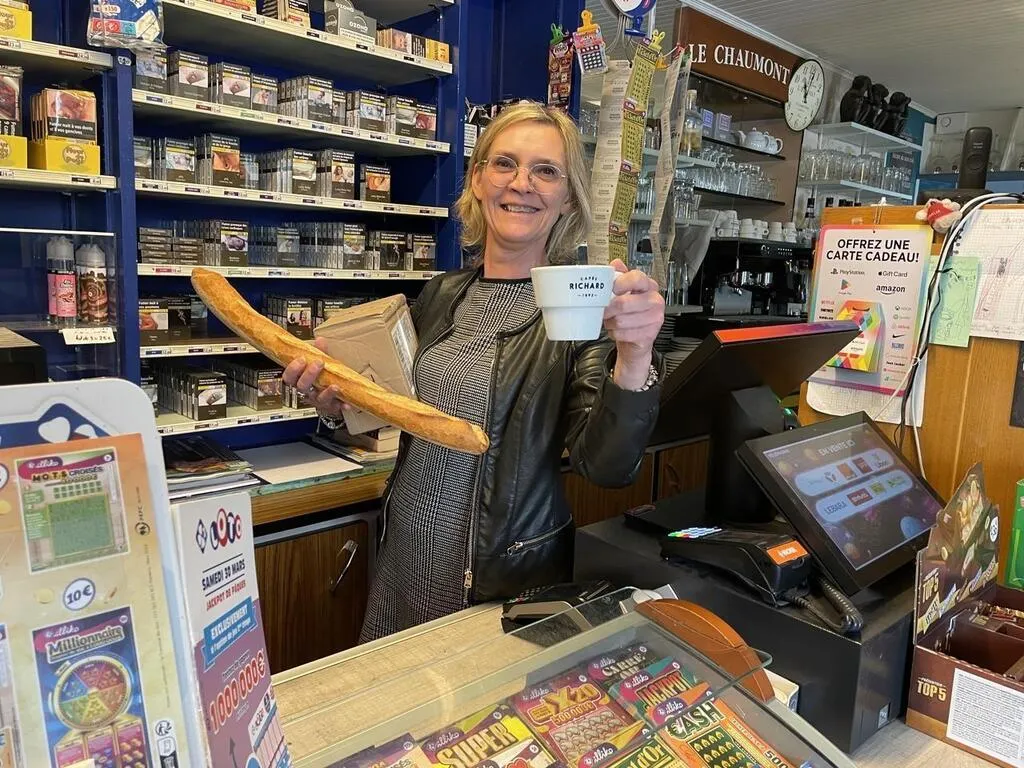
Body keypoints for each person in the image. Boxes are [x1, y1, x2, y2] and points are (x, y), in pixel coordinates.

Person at [283, 102, 665, 641]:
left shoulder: (581, 311)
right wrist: (335, 406)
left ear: (567, 198)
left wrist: (635, 354)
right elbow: (394, 412)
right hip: (403, 557)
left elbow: (606, 466)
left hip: (502, 582)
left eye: (546, 171)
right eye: (504, 163)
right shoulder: (441, 294)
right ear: (479, 180)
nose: (522, 183)